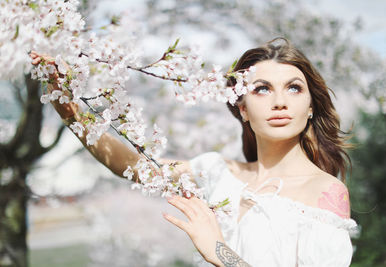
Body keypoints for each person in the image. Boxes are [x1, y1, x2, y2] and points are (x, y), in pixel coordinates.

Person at [30, 37, 358, 267]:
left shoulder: (325, 194)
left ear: (310, 106)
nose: (280, 101)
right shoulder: (216, 171)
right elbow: (133, 166)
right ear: (242, 108)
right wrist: (68, 108)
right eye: (262, 89)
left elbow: (218, 253)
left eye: (294, 88)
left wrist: (219, 252)